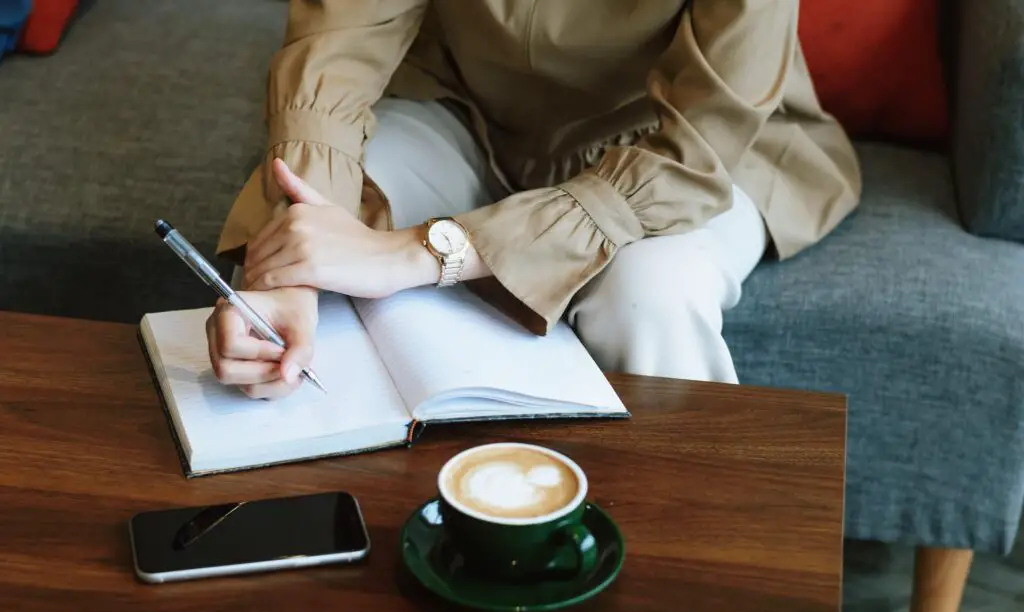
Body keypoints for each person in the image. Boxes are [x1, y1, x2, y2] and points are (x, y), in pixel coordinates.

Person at [206, 0, 861, 400]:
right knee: (307, 234)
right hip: (466, 112)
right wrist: (297, 266)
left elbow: (694, 152)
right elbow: (337, 46)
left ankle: (693, 589)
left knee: (648, 294)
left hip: (681, 145)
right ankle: (297, 544)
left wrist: (425, 251)